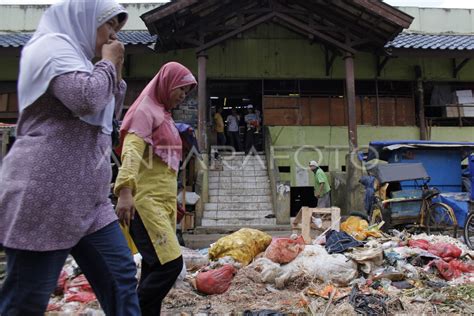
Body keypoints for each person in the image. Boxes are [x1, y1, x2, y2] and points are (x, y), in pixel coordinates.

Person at [0, 1, 140, 315]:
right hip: (46, 194)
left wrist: (112, 68)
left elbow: (109, 114)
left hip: (89, 198)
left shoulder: (80, 61)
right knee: (26, 300)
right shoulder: (51, 49)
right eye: (109, 26)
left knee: (121, 277)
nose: (113, 37)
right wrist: (107, 63)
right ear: (85, 20)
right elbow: (85, 98)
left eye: (117, 30)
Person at [114, 61, 197, 315]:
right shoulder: (144, 110)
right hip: (145, 203)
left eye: (187, 92)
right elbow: (131, 151)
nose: (183, 96)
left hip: (160, 204)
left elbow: (161, 166)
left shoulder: (162, 112)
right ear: (167, 83)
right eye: (180, 90)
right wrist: (125, 190)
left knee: (153, 267)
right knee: (170, 265)